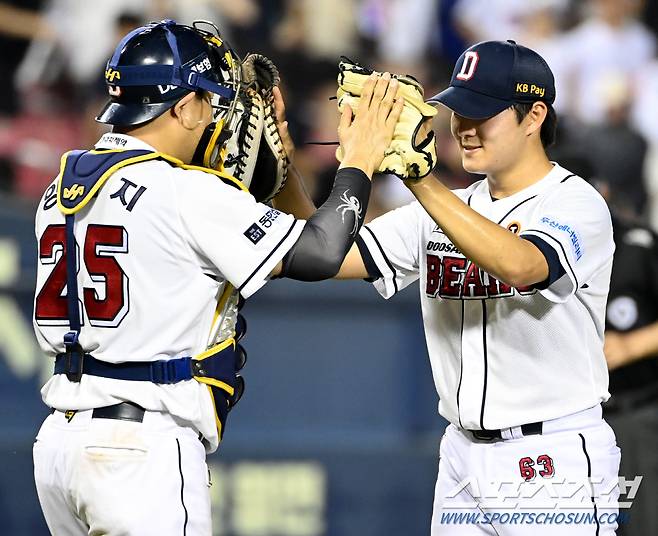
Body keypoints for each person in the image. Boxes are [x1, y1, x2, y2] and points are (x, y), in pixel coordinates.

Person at [32, 19, 402, 535]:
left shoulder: (62, 185)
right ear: (182, 106)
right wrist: (359, 161)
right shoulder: (185, 191)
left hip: (59, 444)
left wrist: (281, 176)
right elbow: (320, 254)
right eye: (210, 100)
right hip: (141, 445)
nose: (218, 115)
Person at [331, 40, 621, 534]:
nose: (462, 127)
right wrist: (287, 169)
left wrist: (421, 182)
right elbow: (323, 254)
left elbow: (524, 266)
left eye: (480, 113)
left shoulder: (577, 203)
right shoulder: (447, 206)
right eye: (457, 111)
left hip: (551, 458)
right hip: (462, 456)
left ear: (534, 116)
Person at [601, 201, 658, 536]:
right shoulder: (525, 249)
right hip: (565, 425)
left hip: (634, 410)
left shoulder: (638, 248)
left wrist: (630, 345)